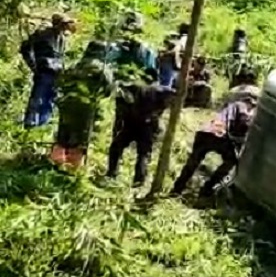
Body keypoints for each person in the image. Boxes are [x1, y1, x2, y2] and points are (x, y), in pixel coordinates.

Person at [170, 67, 259, 198]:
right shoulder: (251, 104)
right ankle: (206, 190)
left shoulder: (234, 94)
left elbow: (223, 111)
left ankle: (177, 189)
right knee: (232, 161)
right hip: (223, 134)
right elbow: (242, 124)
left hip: (208, 130)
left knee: (194, 160)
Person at [50, 41, 114, 169]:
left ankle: (55, 163)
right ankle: (73, 169)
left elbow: (60, 81)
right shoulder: (102, 69)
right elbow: (108, 89)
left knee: (63, 134)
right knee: (80, 140)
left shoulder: (75, 65)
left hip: (67, 104)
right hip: (85, 107)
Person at [106, 81, 176, 187]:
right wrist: (116, 131)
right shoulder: (123, 96)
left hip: (146, 125)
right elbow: (119, 116)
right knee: (117, 147)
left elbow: (171, 95)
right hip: (132, 124)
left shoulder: (149, 91)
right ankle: (113, 174)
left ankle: (138, 182)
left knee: (143, 154)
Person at [19, 13, 77, 128]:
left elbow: (60, 57)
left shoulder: (62, 38)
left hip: (57, 73)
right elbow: (25, 48)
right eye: (64, 24)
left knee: (50, 100)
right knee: (38, 98)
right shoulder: (43, 34)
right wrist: (33, 66)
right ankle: (31, 123)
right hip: (44, 71)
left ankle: (42, 125)